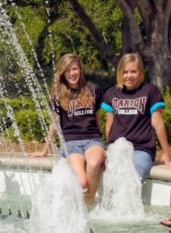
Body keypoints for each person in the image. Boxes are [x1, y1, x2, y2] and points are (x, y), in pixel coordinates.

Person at [29, 53, 106, 204]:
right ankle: (83, 204)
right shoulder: (58, 94)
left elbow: (97, 118)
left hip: (93, 140)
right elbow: (55, 123)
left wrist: (105, 143)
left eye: (75, 69)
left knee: (94, 163)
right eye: (68, 70)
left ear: (80, 70)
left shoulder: (93, 89)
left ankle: (88, 203)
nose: (72, 73)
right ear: (63, 73)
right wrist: (45, 149)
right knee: (82, 182)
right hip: (71, 143)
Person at [101, 53, 171, 182]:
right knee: (109, 179)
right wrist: (109, 148)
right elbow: (109, 124)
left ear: (140, 72)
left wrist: (166, 153)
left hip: (141, 149)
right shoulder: (111, 93)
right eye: (125, 72)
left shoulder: (150, 91)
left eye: (133, 72)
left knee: (133, 179)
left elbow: (157, 123)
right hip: (117, 148)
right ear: (120, 73)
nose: (128, 76)